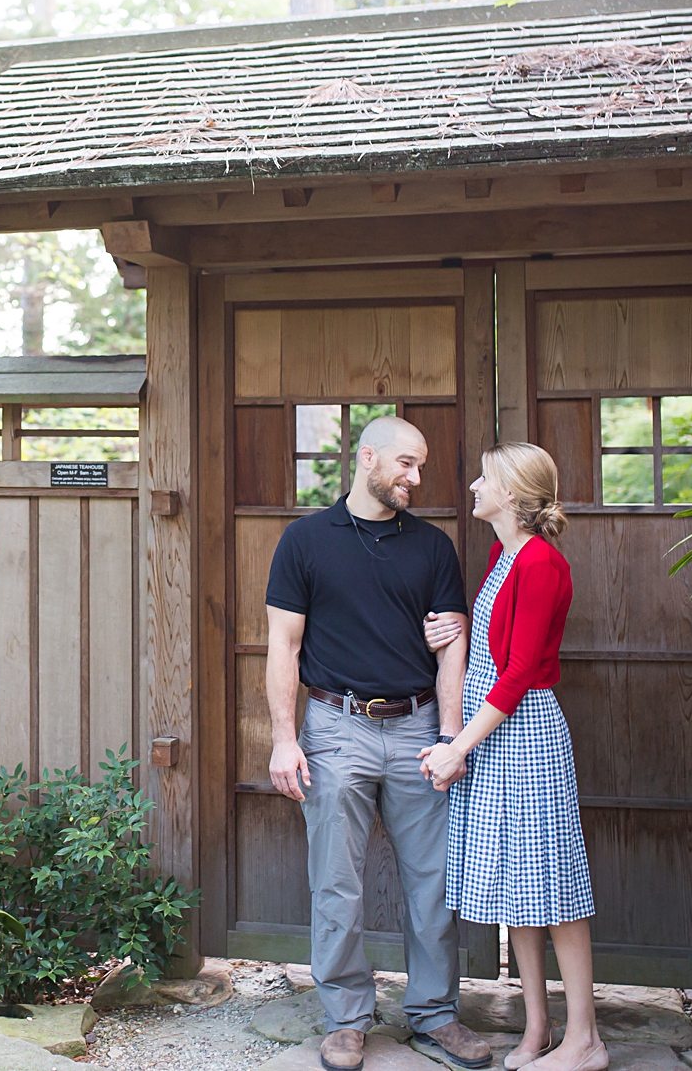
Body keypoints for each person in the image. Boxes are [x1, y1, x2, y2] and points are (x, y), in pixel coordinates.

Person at [265, 414, 494, 1071]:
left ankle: (434, 1014)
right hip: (336, 727)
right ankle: (345, 1018)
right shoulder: (305, 540)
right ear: (367, 457)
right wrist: (286, 740)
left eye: (420, 466)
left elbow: (454, 647)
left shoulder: (432, 547)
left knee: (433, 881)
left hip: (420, 726)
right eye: (405, 464)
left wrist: (451, 735)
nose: (416, 478)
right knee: (336, 882)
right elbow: (284, 645)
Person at [420, 442, 605, 1071]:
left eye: (485, 477)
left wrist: (455, 749)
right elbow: (498, 649)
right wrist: (455, 635)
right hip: (494, 731)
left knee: (555, 888)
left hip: (522, 736)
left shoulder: (542, 563)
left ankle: (586, 1041)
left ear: (514, 495)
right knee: (519, 889)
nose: (473, 485)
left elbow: (521, 671)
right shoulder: (504, 555)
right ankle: (537, 1031)